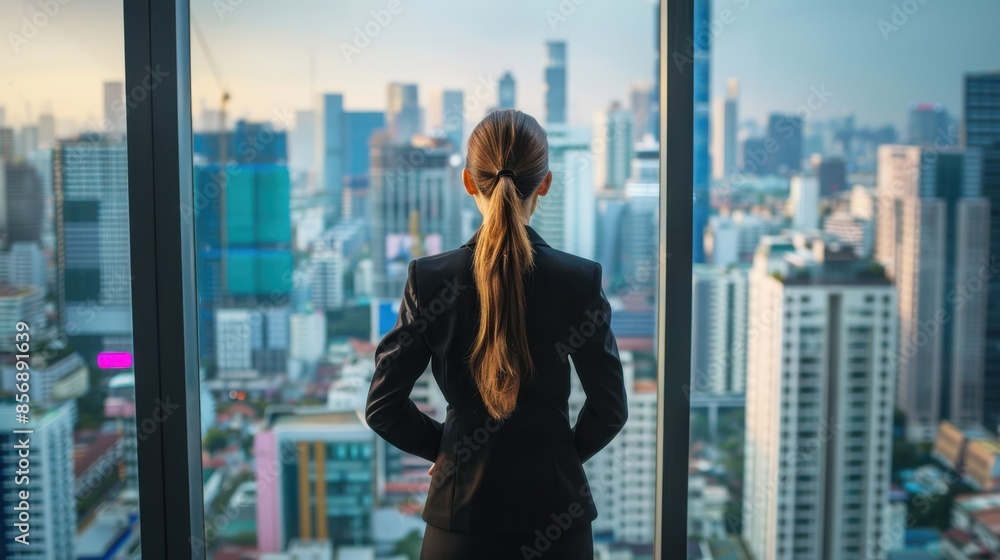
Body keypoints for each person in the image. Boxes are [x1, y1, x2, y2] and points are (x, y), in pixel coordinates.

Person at [365, 109, 628, 559]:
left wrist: (452, 456)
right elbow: (610, 409)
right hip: (556, 525)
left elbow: (383, 408)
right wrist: (555, 461)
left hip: (459, 525)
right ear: (543, 183)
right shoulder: (578, 280)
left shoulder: (429, 279)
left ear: (469, 182)